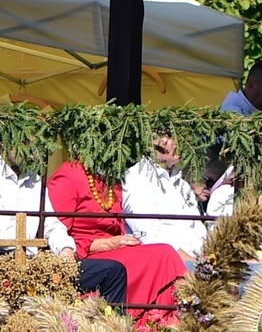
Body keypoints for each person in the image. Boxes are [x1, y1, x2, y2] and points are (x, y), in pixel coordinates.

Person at [47, 160, 186, 324]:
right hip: (86, 257)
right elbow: (57, 237)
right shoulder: (71, 173)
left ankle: (165, 323)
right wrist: (107, 244)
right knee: (164, 255)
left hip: (114, 251)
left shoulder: (112, 179)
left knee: (164, 254)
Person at [0, 153, 127, 304]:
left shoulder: (33, 177)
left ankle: (109, 324)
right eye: (25, 140)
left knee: (113, 271)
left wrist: (65, 249)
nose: (31, 149)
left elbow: (51, 223)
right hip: (6, 263)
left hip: (36, 264)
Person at [122, 135, 208, 266]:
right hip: (166, 266)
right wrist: (195, 265)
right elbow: (149, 236)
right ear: (152, 143)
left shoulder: (181, 183)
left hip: (199, 262)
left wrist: (210, 259)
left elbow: (197, 228)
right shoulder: (136, 179)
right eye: (169, 136)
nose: (178, 142)